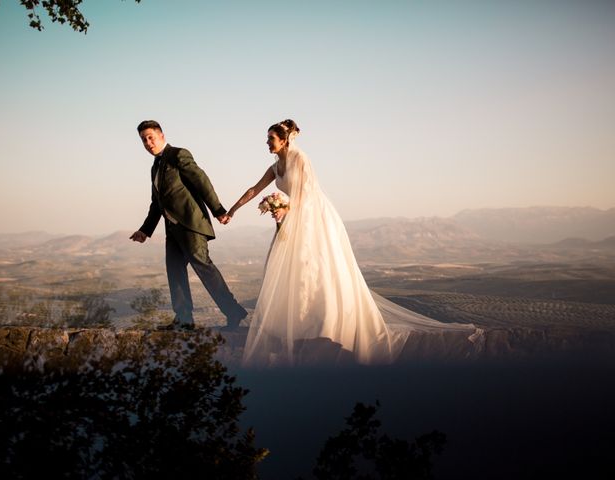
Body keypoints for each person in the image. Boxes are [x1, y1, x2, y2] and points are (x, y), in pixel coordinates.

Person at [222, 119, 483, 366]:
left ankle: (326, 325)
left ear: (284, 140)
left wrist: (287, 209)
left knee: (315, 267)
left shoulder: (300, 159)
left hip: (313, 217)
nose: (267, 143)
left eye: (270, 138)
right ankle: (299, 324)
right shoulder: (274, 168)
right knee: (289, 269)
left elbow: (305, 193)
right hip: (291, 218)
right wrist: (232, 211)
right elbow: (254, 189)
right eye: (267, 139)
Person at [130, 120, 247, 331]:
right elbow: (157, 203)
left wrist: (218, 210)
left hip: (191, 225)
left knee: (204, 268)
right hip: (172, 229)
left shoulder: (178, 155)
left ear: (161, 136)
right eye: (143, 140)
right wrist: (145, 231)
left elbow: (201, 181)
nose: (148, 143)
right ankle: (184, 319)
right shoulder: (154, 167)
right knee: (174, 271)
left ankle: (234, 311)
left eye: (150, 137)